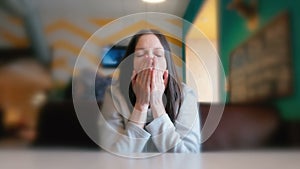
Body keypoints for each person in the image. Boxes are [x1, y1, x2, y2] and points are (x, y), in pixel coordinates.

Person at [99, 29, 200, 154]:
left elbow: (189, 156)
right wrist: (140, 106)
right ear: (131, 64)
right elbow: (112, 155)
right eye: (141, 55)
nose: (151, 61)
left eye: (158, 55)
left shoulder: (186, 95)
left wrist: (157, 104)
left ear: (167, 63)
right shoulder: (114, 94)